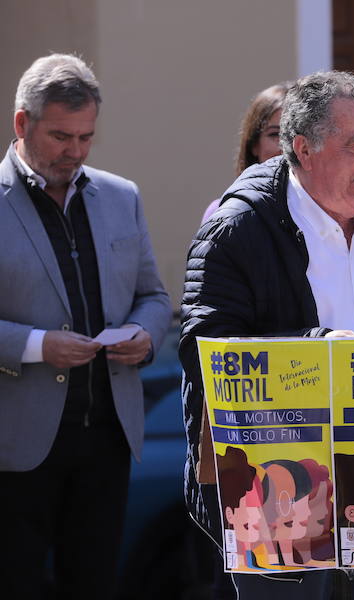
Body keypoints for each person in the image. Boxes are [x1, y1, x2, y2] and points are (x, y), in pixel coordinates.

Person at [179, 70, 354, 599]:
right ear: (304, 148)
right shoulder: (238, 230)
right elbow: (206, 353)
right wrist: (318, 350)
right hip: (279, 493)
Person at [0, 53, 171, 599]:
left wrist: (145, 337)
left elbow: (154, 296)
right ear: (21, 124)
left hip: (106, 439)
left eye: (85, 137)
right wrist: (34, 346)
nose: (74, 152)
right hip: (15, 447)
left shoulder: (122, 197)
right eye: (60, 137)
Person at [202, 82, 289, 222]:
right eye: (274, 134)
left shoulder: (329, 214)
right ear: (254, 144)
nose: (286, 145)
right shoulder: (224, 212)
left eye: (294, 134)